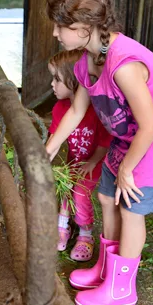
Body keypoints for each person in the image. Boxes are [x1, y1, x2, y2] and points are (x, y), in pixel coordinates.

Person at [45, 0, 153, 305]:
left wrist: (128, 168)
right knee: (104, 194)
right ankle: (106, 268)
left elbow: (151, 124)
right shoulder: (86, 60)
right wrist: (49, 148)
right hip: (129, 137)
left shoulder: (123, 65)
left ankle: (121, 288)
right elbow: (77, 110)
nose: (55, 33)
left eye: (59, 25)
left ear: (84, 25)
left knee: (131, 208)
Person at [47, 50, 111, 262]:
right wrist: (42, 161)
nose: (52, 85)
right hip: (74, 160)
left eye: (57, 79)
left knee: (80, 193)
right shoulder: (60, 107)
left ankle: (85, 234)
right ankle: (62, 226)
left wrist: (93, 162)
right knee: (65, 187)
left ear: (74, 80)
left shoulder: (97, 110)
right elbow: (55, 140)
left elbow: (104, 143)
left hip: (94, 162)